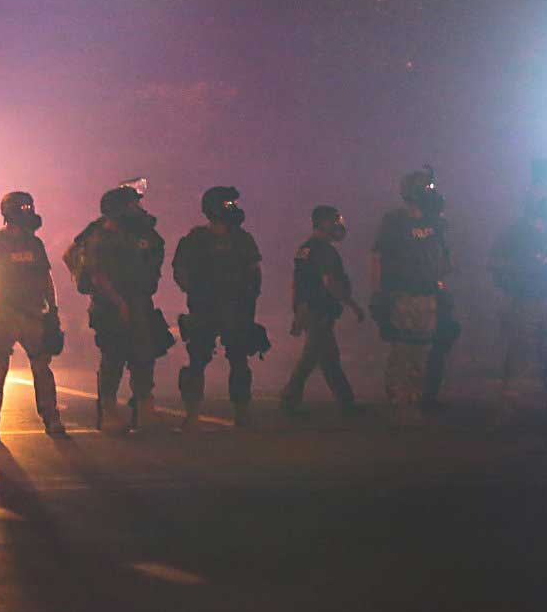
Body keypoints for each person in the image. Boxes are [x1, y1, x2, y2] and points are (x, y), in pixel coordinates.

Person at [64, 184, 171, 433]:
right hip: (109, 305)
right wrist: (118, 302)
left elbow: (154, 253)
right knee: (113, 358)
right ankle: (109, 413)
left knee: (144, 356)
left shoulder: (137, 233)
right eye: (133, 204)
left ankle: (144, 410)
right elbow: (97, 273)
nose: (138, 208)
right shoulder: (100, 236)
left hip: (138, 301)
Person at [0, 190, 66, 441]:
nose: (29, 213)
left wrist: (53, 311)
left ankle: (51, 418)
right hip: (6, 312)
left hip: (32, 312)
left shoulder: (33, 243)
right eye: (24, 208)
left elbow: (45, 278)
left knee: (40, 367)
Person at [171, 185, 266, 424]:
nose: (234, 208)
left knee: (239, 360)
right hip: (205, 308)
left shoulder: (242, 239)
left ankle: (241, 413)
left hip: (235, 308)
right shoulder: (196, 239)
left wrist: (247, 301)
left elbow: (254, 274)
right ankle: (192, 415)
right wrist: (198, 292)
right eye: (228, 204)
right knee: (197, 361)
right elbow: (180, 272)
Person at [372, 167, 457, 413]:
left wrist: (441, 282)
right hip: (402, 293)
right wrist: (378, 291)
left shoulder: (435, 222)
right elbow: (377, 256)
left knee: (421, 349)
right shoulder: (395, 221)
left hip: (428, 293)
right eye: (427, 188)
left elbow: (445, 259)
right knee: (403, 347)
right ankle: (399, 399)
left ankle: (413, 398)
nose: (432, 192)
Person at [488, 179, 547, 419]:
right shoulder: (515, 235)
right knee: (519, 358)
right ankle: (508, 410)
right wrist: (512, 287)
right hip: (524, 302)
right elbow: (496, 265)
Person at [279, 205, 364, 416]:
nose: (338, 227)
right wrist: (353, 305)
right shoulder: (325, 251)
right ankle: (344, 403)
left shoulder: (305, 249)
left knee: (321, 358)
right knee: (322, 358)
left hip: (309, 311)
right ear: (324, 223)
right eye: (334, 222)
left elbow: (298, 284)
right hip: (320, 311)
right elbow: (330, 283)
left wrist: (299, 312)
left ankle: (293, 399)